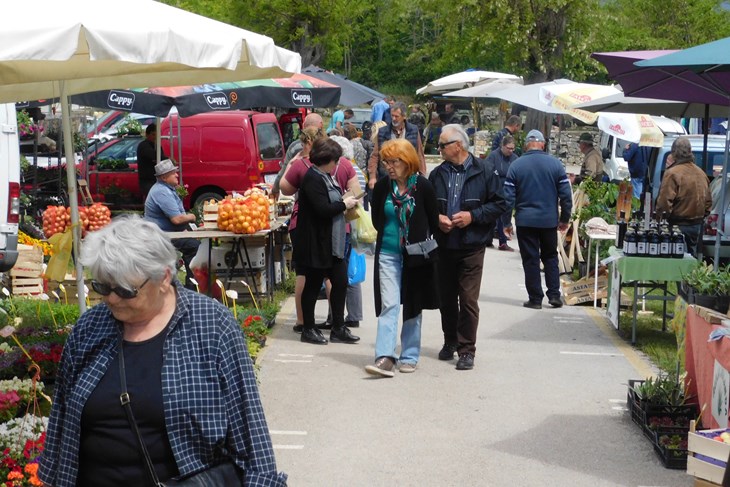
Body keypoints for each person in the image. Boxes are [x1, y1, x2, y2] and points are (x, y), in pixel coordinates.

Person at [38, 216, 287, 487]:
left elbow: (250, 432)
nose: (111, 298)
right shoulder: (90, 327)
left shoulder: (211, 325)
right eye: (102, 287)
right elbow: (61, 421)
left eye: (124, 290)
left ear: (164, 278)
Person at [428, 124, 507, 371]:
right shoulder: (438, 174)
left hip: (472, 245)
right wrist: (437, 219)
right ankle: (450, 340)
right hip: (444, 245)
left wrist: (473, 216)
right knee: (446, 298)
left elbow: (501, 203)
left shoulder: (484, 171)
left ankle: (467, 350)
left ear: (458, 145)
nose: (439, 149)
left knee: (468, 299)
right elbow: (428, 206)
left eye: (442, 145)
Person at [365, 139, 440, 377]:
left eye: (394, 161)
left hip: (416, 257)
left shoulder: (424, 187)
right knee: (389, 304)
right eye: (386, 161)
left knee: (413, 304)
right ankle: (385, 356)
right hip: (387, 254)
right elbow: (378, 220)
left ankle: (409, 355)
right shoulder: (382, 188)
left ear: (407, 162)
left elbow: (433, 219)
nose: (389, 166)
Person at [293, 138, 361, 345]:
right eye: (336, 160)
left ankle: (338, 327)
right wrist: (343, 203)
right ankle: (309, 328)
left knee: (340, 281)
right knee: (313, 285)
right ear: (327, 160)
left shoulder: (327, 176)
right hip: (317, 242)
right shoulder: (313, 178)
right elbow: (322, 209)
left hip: (333, 242)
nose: (338, 164)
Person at [503, 129, 573, 309]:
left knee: (531, 259)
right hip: (549, 221)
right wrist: (565, 218)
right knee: (550, 256)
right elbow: (566, 195)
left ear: (527, 145)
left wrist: (506, 223)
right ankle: (554, 295)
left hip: (525, 221)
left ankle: (535, 299)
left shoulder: (516, 166)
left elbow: (508, 198)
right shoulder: (556, 165)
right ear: (542, 144)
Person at [143, 159, 199, 290]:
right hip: (160, 235)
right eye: (173, 173)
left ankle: (191, 285)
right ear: (164, 177)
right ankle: (191, 287)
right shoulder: (161, 191)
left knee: (193, 243)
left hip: (169, 232)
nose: (177, 175)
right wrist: (192, 216)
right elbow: (177, 219)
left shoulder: (168, 189)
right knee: (194, 247)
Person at [655, 136, 712, 257]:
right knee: (691, 261)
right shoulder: (701, 173)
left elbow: (664, 203)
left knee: (676, 261)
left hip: (677, 225)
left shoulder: (672, 173)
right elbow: (708, 203)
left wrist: (660, 221)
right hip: (696, 225)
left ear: (674, 153)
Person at [367, 102, 427, 191]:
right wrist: (372, 177)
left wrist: (423, 176)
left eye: (397, 116)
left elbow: (419, 154)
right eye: (392, 116)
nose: (394, 119)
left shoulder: (413, 130)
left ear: (404, 116)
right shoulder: (383, 131)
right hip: (387, 176)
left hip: (408, 176)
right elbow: (375, 155)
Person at [272, 113, 324, 196]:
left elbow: (284, 174)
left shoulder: (295, 148)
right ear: (321, 125)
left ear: (303, 125)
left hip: (303, 201)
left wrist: (275, 190)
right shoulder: (331, 146)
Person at [486, 135, 518, 251]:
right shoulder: (493, 156)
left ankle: (503, 241)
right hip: (494, 190)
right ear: (502, 146)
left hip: (509, 192)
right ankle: (490, 240)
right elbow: (487, 172)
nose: (511, 151)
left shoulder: (515, 159)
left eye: (512, 149)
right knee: (493, 216)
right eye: (509, 148)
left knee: (503, 217)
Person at [136, 123, 166, 201]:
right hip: (147, 180)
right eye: (153, 135)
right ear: (147, 134)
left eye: (156, 135)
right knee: (152, 200)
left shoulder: (157, 146)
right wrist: (168, 159)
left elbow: (159, 158)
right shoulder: (143, 145)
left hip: (156, 179)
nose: (155, 137)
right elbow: (154, 155)